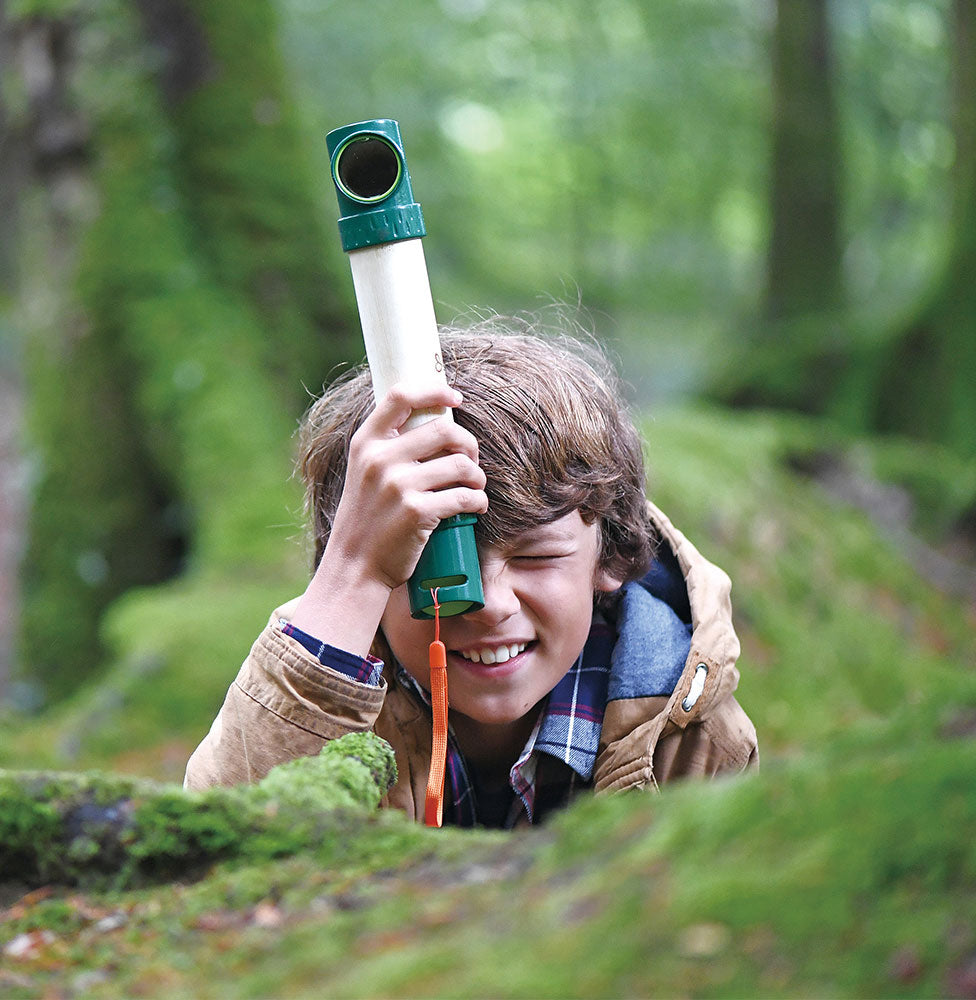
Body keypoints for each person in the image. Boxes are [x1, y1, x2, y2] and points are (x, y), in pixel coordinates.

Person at [184, 319, 758, 827]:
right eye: (425, 559)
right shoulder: (327, 708)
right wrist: (352, 573)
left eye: (534, 557)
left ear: (610, 556)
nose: (486, 603)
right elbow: (218, 868)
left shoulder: (695, 743)